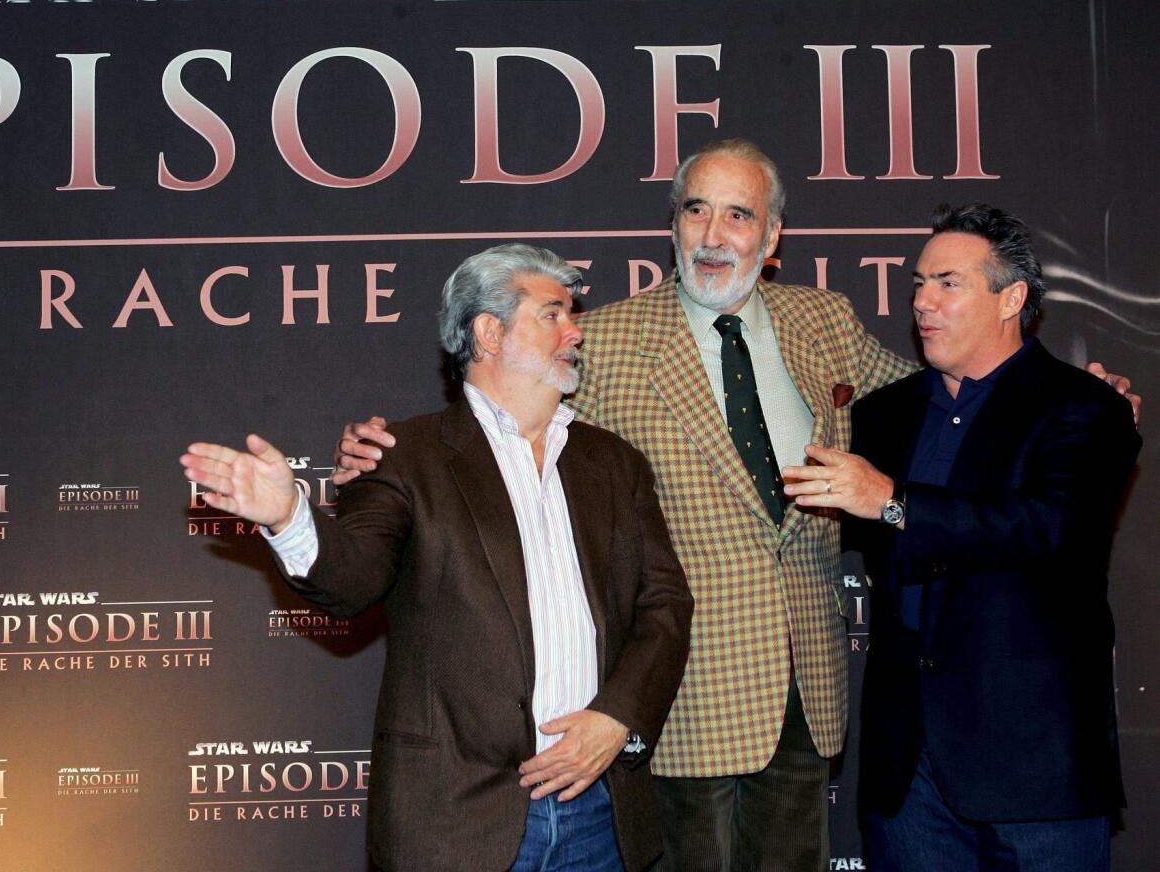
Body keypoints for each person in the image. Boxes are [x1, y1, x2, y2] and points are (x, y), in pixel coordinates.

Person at [333, 140, 1139, 871]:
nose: (713, 233)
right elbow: (501, 429)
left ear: (773, 235)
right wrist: (386, 454)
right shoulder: (603, 340)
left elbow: (940, 395)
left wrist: (1064, 396)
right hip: (681, 692)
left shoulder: (821, 320)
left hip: (806, 689)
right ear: (673, 225)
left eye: (738, 213)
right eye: (695, 209)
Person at [182, 244, 693, 872]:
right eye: (553, 314)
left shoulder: (615, 464)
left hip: (602, 814)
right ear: (488, 332)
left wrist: (618, 717)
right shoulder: (404, 455)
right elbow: (354, 579)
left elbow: (664, 606)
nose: (575, 331)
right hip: (456, 820)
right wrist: (290, 518)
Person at [783, 204, 1140, 872]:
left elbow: (1051, 527)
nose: (920, 300)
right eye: (918, 282)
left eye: (948, 283)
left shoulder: (1084, 407)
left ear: (1011, 299)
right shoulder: (882, 414)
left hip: (1035, 768)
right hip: (906, 765)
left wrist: (892, 502)